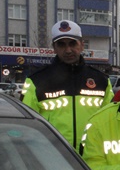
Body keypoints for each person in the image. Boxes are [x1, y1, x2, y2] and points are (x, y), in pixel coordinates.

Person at [22, 20, 114, 150]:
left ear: (82, 45)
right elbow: (27, 125)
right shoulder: (36, 80)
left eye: (72, 44)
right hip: (53, 156)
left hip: (93, 157)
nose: (68, 50)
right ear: (54, 47)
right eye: (61, 45)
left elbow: (110, 121)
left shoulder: (101, 80)